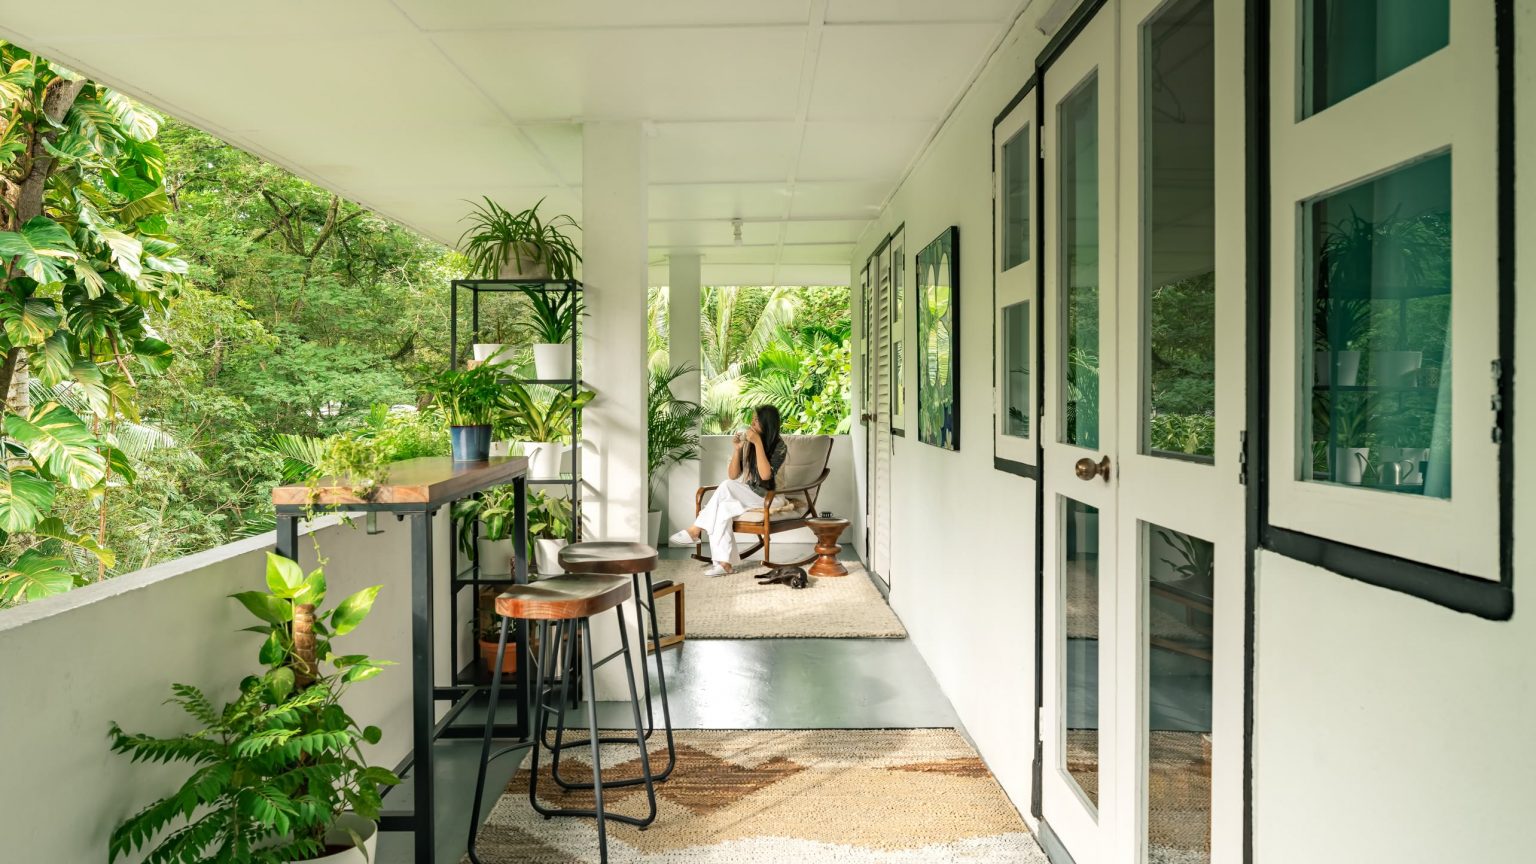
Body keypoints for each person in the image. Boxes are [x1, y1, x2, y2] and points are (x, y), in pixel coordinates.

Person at [669, 404, 788, 576]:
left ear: (767, 423)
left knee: (725, 486)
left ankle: (695, 530)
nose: (752, 423)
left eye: (756, 420)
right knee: (723, 508)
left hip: (771, 497)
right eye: (752, 419)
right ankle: (724, 563)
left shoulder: (779, 446)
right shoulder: (749, 442)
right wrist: (737, 449)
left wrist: (758, 443)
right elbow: (733, 475)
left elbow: (765, 476)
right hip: (750, 494)